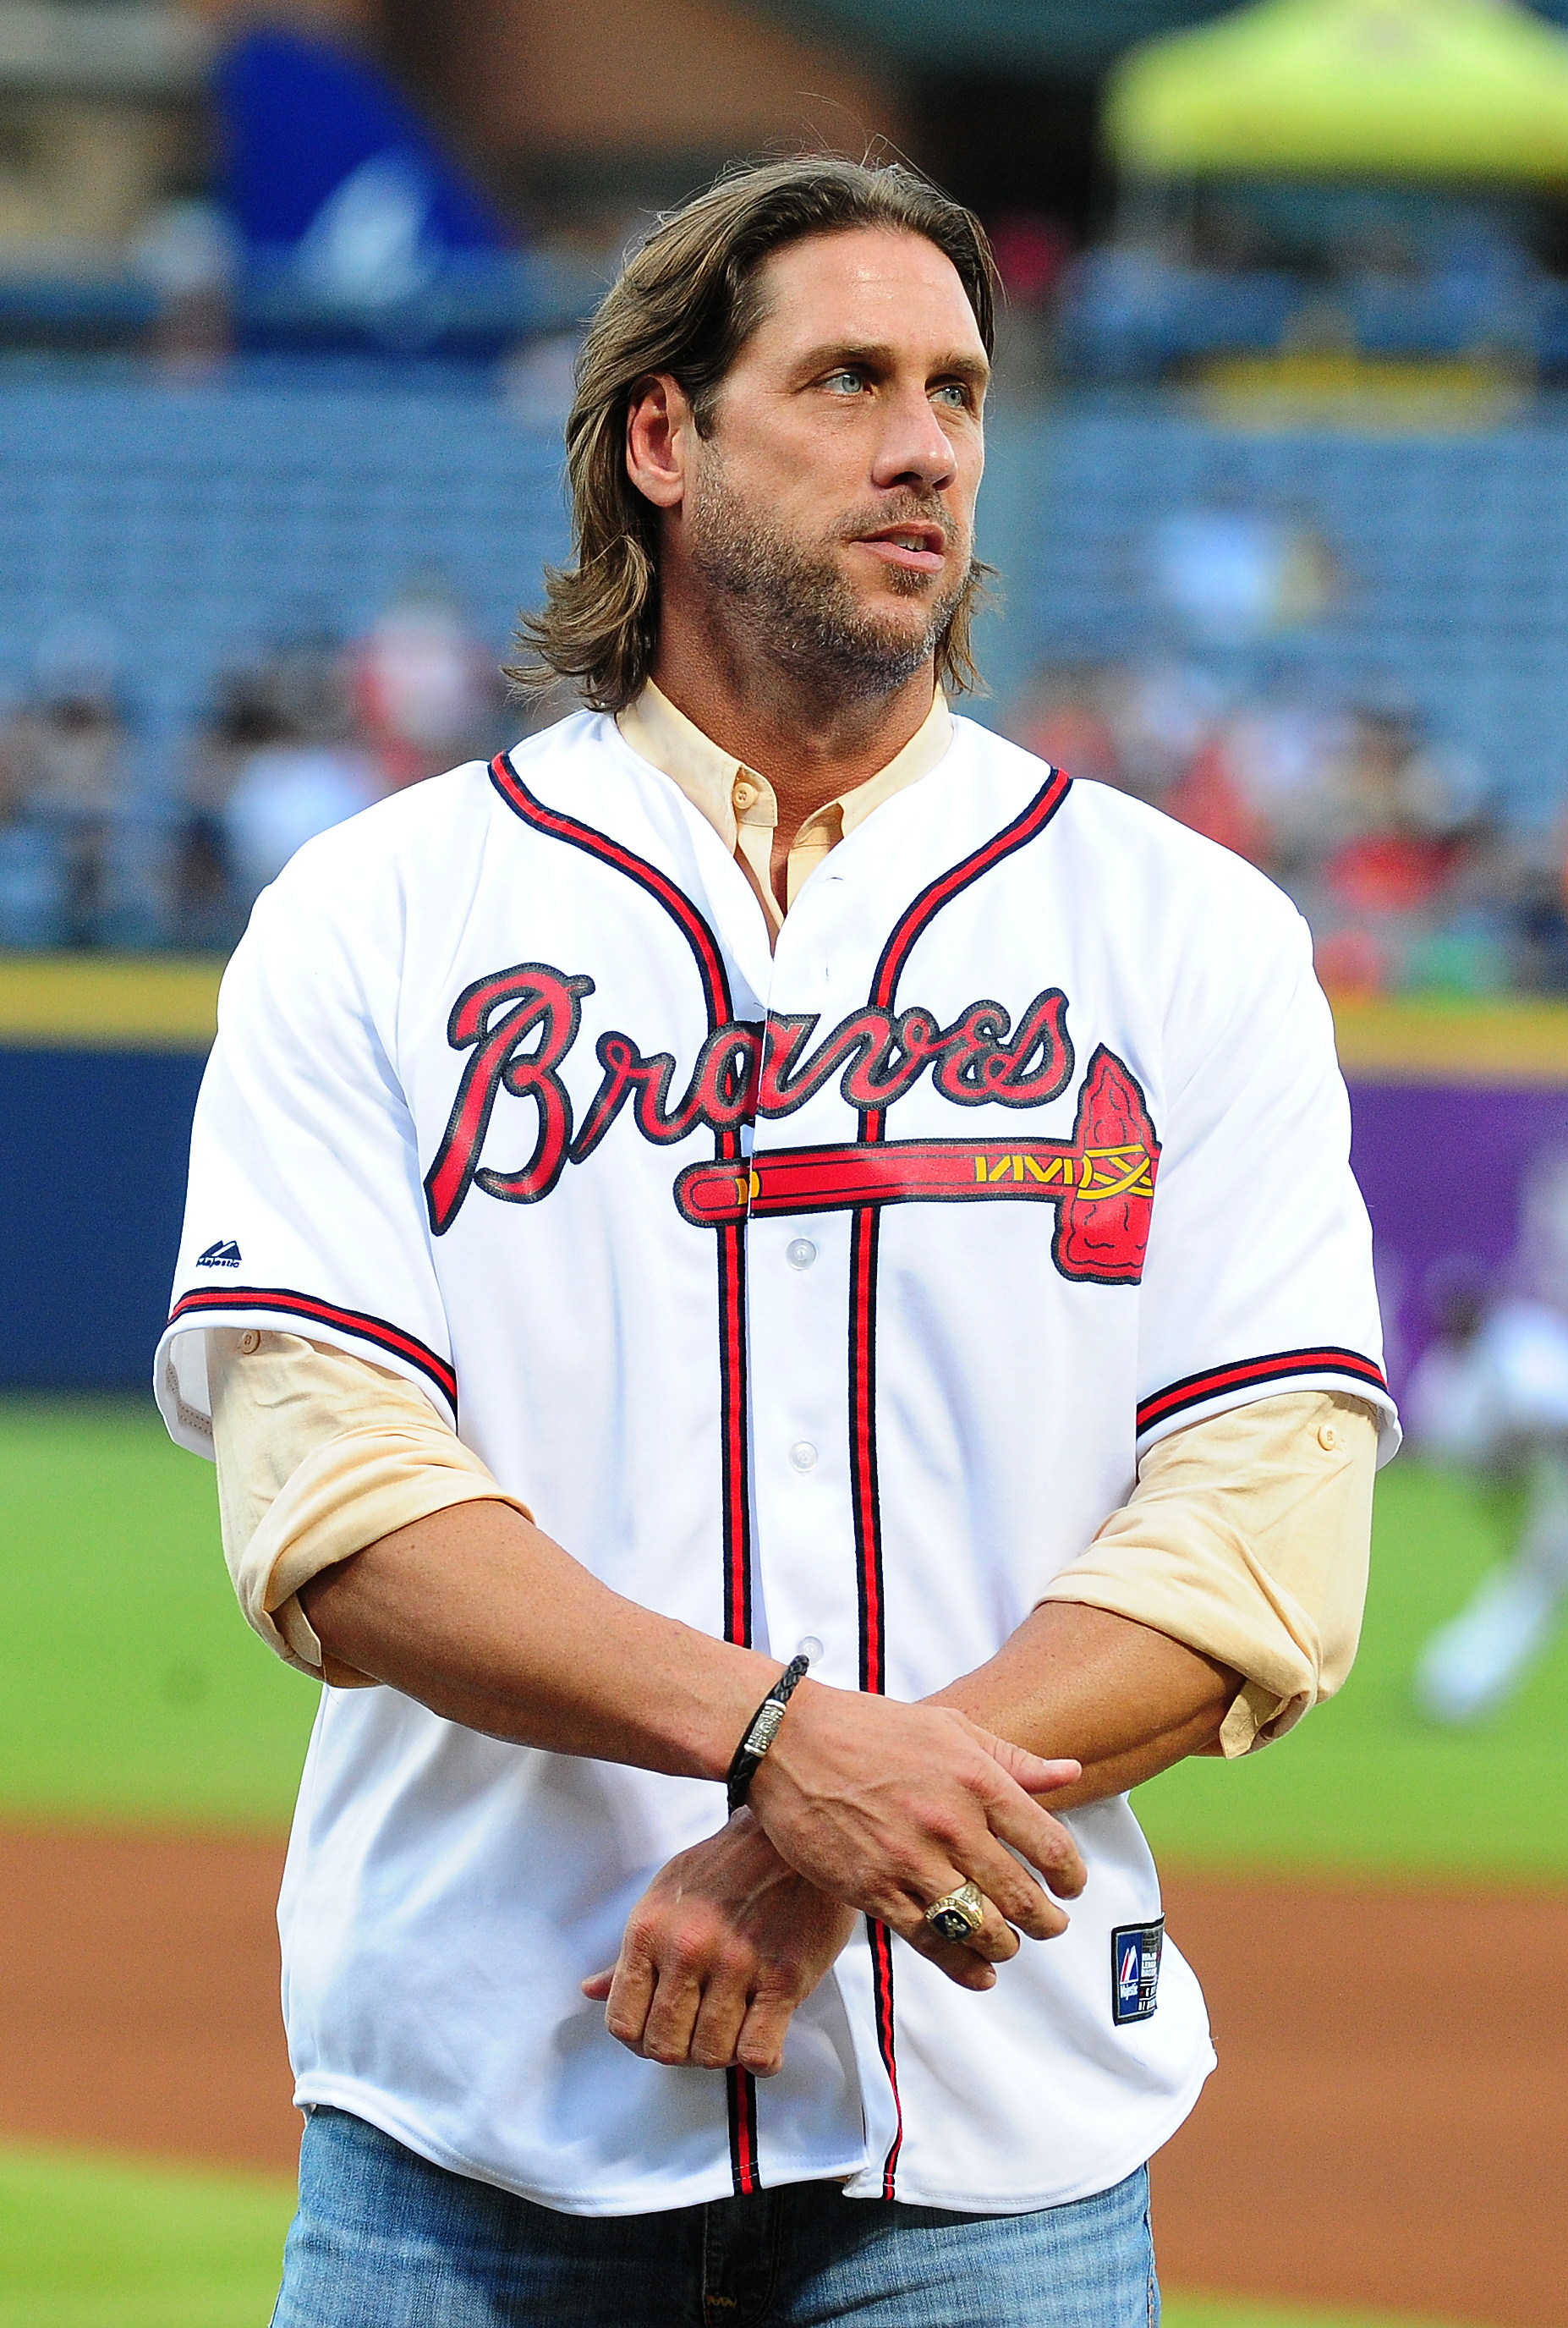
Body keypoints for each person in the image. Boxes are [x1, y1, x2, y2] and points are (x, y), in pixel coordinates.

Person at [156, 158, 1395, 2326]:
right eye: (844, 379)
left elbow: (1258, 1539)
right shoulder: (380, 916)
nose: (925, 443)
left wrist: (808, 1841)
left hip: (998, 2147)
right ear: (663, 437)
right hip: (477, 2122)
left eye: (956, 390)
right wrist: (781, 1743)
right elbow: (341, 1511)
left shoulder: (1182, 929)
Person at [1412, 1275, 1568, 1723]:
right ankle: (1456, 1686)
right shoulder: (1452, 1378)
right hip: (1564, 1481)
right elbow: (1487, 1472)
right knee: (1537, 1582)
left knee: (1549, 1581)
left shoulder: (1522, 1348)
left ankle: (1455, 1686)